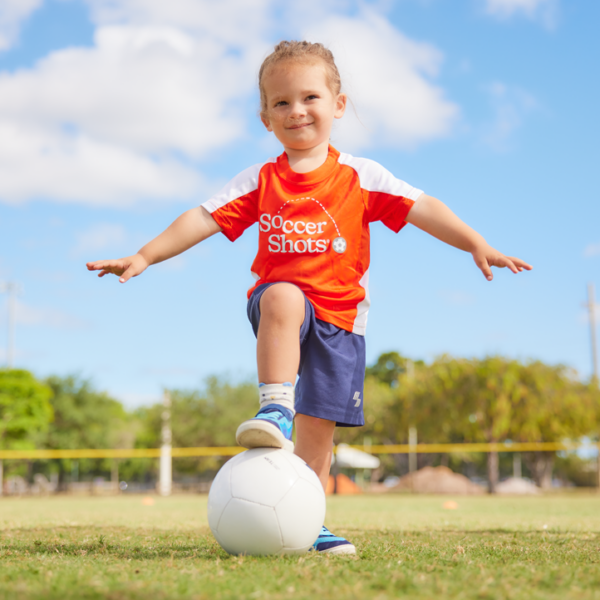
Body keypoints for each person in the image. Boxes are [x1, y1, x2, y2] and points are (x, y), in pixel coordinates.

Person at [87, 40, 532, 554]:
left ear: (337, 105)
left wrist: (476, 243)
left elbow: (423, 208)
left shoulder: (361, 177)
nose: (296, 110)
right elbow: (202, 218)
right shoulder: (260, 179)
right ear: (265, 118)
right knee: (282, 293)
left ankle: (308, 521)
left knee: (318, 433)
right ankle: (275, 406)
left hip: (343, 321)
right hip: (283, 310)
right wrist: (144, 256)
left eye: (309, 98)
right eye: (281, 103)